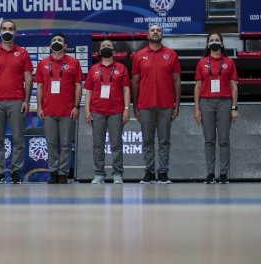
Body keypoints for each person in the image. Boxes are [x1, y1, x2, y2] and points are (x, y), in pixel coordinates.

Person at [0, 20, 33, 184]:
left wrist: (26, 100)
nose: (7, 31)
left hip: (17, 101)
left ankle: (16, 172)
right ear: (0, 32)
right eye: (4, 29)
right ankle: (0, 172)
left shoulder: (22, 53)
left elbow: (28, 78)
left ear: (15, 33)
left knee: (18, 139)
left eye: (10, 29)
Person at [131, 23, 181, 184]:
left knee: (164, 140)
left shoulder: (171, 54)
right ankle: (149, 171)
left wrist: (177, 103)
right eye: (152, 30)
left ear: (162, 34)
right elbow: (135, 82)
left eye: (158, 30)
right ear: (147, 35)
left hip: (166, 104)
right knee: (147, 140)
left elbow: (177, 80)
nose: (155, 32)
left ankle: (163, 172)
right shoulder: (139, 55)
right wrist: (135, 105)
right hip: (145, 104)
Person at [35, 33, 83, 184]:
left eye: (59, 40)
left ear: (65, 45)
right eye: (54, 40)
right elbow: (40, 86)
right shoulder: (43, 63)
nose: (56, 42)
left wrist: (76, 106)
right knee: (51, 144)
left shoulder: (74, 62)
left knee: (66, 144)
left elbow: (78, 86)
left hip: (67, 110)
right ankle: (53, 172)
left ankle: (63, 173)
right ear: (50, 45)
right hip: (48, 110)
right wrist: (39, 107)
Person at [193, 33, 238, 185]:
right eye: (211, 40)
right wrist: (197, 108)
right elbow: (198, 87)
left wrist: (234, 107)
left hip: (225, 102)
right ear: (207, 44)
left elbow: (234, 87)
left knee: (224, 140)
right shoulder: (202, 62)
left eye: (217, 40)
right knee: (209, 140)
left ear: (222, 43)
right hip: (206, 102)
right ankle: (210, 173)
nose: (214, 42)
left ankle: (223, 174)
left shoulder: (229, 63)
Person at [84, 39, 131, 184]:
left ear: (113, 50)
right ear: (99, 51)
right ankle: (99, 174)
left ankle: (117, 174)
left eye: (108, 46)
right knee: (98, 145)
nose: (106, 47)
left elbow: (126, 89)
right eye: (103, 46)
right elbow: (89, 90)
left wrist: (126, 109)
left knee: (116, 144)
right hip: (97, 110)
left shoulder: (121, 68)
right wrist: (87, 109)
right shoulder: (94, 69)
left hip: (116, 111)